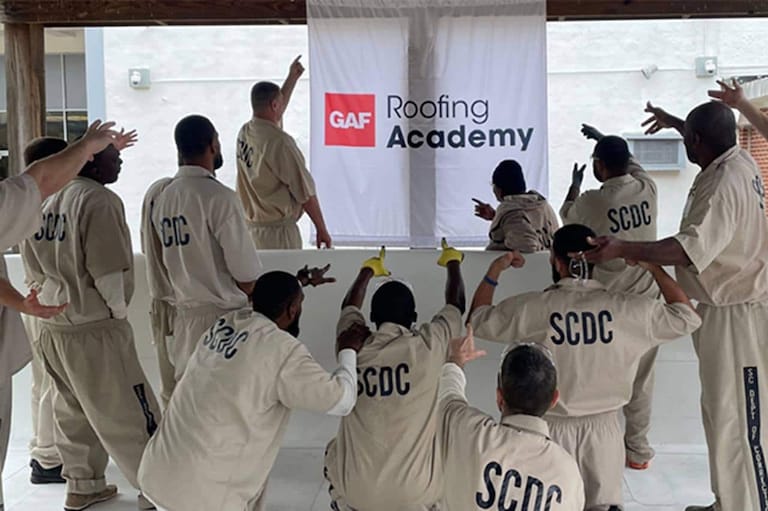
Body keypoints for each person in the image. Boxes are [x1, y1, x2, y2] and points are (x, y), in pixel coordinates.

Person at [586, 100, 768, 511]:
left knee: (741, 420)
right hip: (721, 306)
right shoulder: (734, 160)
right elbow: (704, 133)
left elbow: (686, 250)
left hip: (737, 312)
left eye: (686, 136)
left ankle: (748, 505)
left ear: (698, 142)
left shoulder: (724, 185)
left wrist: (623, 247)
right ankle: (728, 501)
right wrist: (674, 122)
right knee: (720, 414)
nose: (683, 141)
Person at [468, 224, 701, 511]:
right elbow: (687, 316)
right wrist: (654, 268)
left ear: (555, 260)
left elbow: (477, 319)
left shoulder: (535, 307)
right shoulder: (627, 309)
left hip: (548, 432)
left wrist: (496, 270)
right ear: (595, 262)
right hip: (604, 434)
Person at [138, 270, 368, 511]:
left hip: (158, 472)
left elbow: (264, 300)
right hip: (202, 495)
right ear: (292, 310)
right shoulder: (283, 350)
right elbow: (342, 400)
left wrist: (299, 284)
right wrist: (348, 350)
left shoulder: (225, 324)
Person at [21, 141, 161, 511]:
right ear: (91, 163)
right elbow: (108, 272)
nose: (120, 163)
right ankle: (159, 490)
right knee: (130, 412)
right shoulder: (97, 200)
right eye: (114, 158)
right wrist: (116, 315)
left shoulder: (42, 199)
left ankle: (83, 485)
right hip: (93, 326)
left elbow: (32, 268)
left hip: (53, 325)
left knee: (72, 411)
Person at [324, 240, 465, 511]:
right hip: (417, 494)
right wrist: (452, 261)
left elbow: (348, 306)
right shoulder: (430, 344)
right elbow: (456, 304)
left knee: (333, 450)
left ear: (372, 316)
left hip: (357, 493)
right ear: (414, 317)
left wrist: (368, 270)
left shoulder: (352, 343)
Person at [560, 128, 660, 470]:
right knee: (642, 380)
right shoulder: (649, 187)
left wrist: (575, 183)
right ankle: (638, 452)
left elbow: (566, 215)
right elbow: (632, 164)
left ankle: (600, 453)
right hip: (647, 298)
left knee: (603, 376)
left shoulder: (593, 200)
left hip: (611, 304)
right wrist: (604, 139)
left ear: (599, 166)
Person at [152, 114, 264, 382]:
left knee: (191, 405)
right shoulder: (219, 197)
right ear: (213, 144)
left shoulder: (164, 197)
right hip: (222, 321)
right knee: (224, 407)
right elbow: (247, 277)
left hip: (185, 320)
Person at [438, 327, 585, 511]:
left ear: (499, 397)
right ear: (554, 399)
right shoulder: (568, 473)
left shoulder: (469, 432)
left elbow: (449, 393)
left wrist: (456, 360)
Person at [236, 56, 332, 250]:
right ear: (274, 105)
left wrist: (292, 79)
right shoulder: (279, 143)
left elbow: (276, 110)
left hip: (251, 232)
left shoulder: (246, 132)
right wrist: (321, 229)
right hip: (278, 235)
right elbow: (305, 192)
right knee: (283, 280)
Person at [20, 137, 70, 486]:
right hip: (46, 297)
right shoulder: (51, 204)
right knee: (55, 382)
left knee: (43, 381)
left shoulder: (30, 203)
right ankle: (49, 457)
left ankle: (43, 451)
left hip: (33, 296)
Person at [0, 120, 119, 252]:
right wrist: (86, 147)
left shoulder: (37, 204)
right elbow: (107, 269)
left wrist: (88, 148)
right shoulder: (99, 199)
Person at [140, 176, 176, 408]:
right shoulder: (172, 193)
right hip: (182, 303)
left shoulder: (156, 190)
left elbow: (146, 247)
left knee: (170, 384)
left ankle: (173, 440)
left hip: (162, 301)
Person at [473, 159, 559, 253]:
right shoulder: (543, 206)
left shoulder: (512, 214)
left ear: (499, 189)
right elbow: (528, 225)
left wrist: (497, 246)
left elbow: (527, 245)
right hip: (549, 265)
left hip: (523, 267)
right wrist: (496, 217)